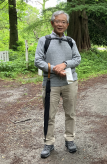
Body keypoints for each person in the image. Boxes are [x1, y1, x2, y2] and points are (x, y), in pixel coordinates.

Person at [35, 11, 81, 158]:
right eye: (57, 21)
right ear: (52, 23)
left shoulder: (70, 41)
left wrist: (65, 65)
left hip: (70, 82)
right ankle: (49, 142)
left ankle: (70, 139)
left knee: (71, 112)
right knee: (49, 114)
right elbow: (38, 61)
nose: (60, 24)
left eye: (63, 22)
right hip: (50, 83)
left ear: (67, 24)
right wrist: (55, 69)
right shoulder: (44, 40)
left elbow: (77, 58)